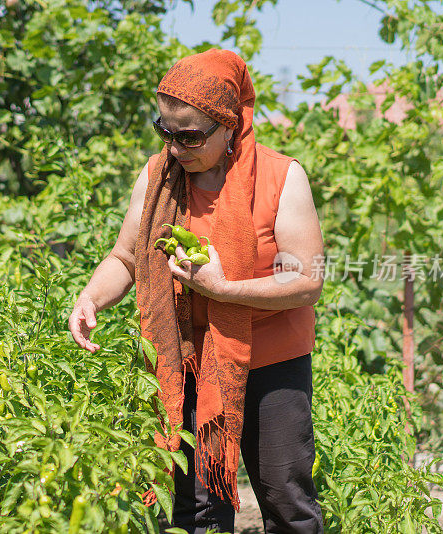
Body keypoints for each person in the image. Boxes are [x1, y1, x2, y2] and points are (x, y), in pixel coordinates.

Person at [68, 48, 325, 534]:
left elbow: (307, 282)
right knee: (194, 506)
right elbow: (126, 256)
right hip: (188, 358)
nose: (174, 147)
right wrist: (91, 298)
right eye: (164, 131)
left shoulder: (280, 178)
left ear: (229, 125)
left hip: (273, 361)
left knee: (285, 495)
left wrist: (224, 289)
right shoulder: (157, 177)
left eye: (189, 136)